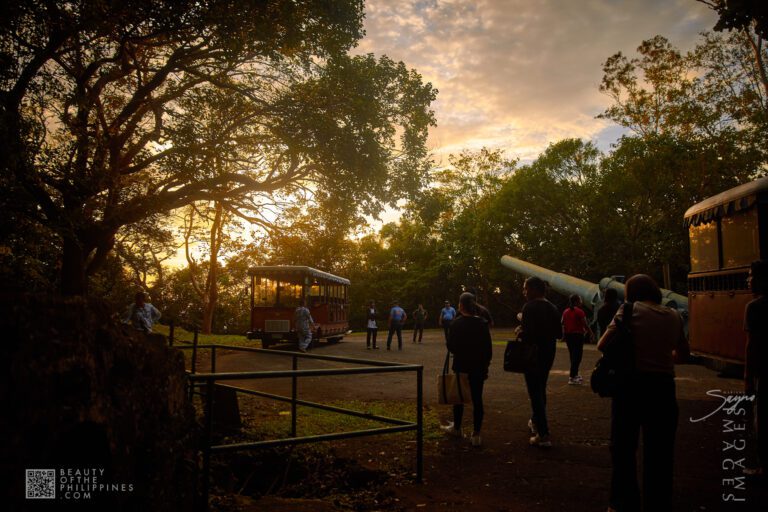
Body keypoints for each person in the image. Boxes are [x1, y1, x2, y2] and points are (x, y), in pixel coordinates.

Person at [597, 274, 689, 512]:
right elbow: (682, 354)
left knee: (623, 449)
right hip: (664, 388)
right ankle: (657, 503)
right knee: (660, 453)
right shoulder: (675, 316)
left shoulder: (628, 310)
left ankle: (622, 502)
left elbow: (603, 344)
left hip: (631, 386)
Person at [441, 292, 493, 447]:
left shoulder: (456, 324)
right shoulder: (482, 323)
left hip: (461, 365)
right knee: (478, 399)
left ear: (460, 305)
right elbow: (488, 350)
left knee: (459, 398)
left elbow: (451, 346)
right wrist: (485, 364)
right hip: (478, 367)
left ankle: (457, 428)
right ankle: (476, 434)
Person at [518, 276, 561, 448]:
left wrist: (520, 330)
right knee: (540, 387)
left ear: (535, 289)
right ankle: (536, 421)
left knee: (535, 392)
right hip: (548, 354)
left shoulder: (529, 307)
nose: (524, 292)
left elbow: (528, 335)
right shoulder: (553, 307)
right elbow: (559, 334)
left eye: (525, 288)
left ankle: (543, 434)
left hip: (532, 355)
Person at [744, 260, 768, 478]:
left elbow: (752, 345)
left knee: (761, 419)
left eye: (751, 276)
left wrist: (748, 377)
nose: (748, 280)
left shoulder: (754, 307)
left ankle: (763, 467)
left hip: (763, 370)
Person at [562, 294, 594, 385]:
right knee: (577, 356)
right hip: (577, 336)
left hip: (569, 336)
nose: (581, 302)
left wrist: (563, 335)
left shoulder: (565, 311)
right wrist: (591, 333)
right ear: (576, 301)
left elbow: (563, 323)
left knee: (572, 355)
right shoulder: (580, 312)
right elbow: (585, 324)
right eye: (580, 300)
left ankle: (575, 375)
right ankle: (572, 377)